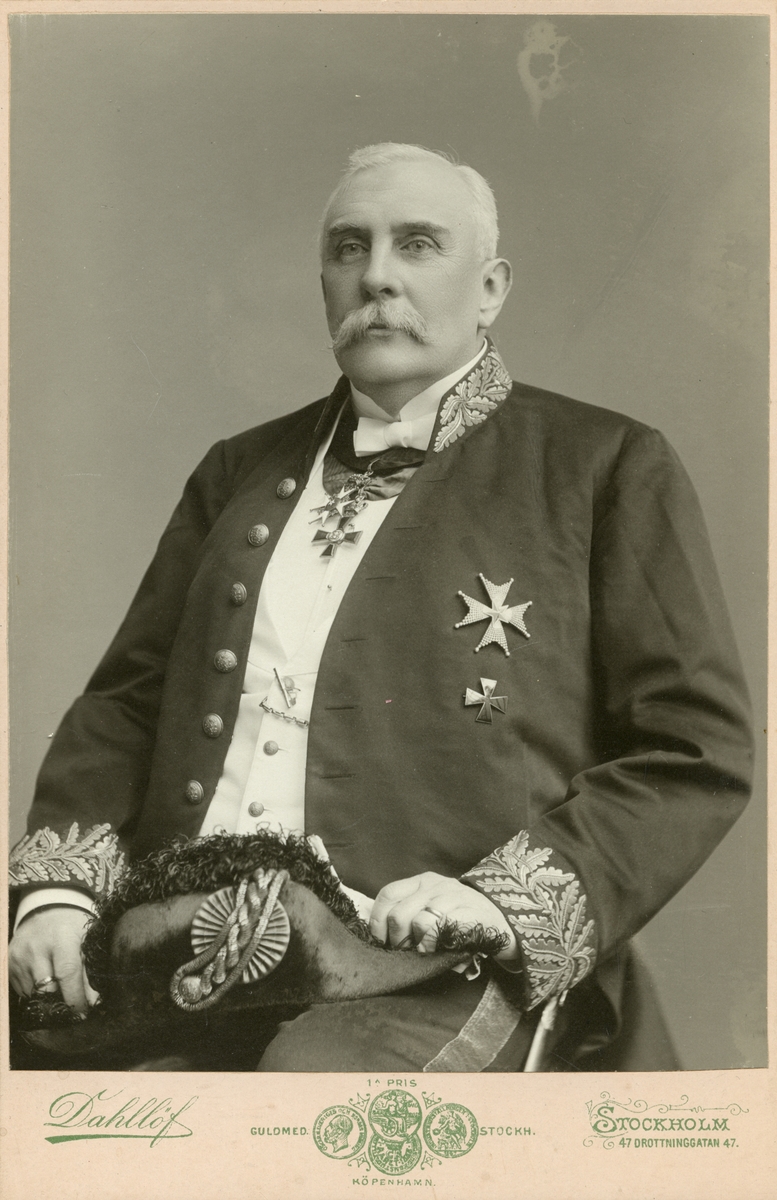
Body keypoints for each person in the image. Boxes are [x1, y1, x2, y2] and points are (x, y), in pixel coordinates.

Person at [8, 143, 753, 1071]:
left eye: (418, 244)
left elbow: (690, 749)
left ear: (490, 289)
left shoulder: (602, 465)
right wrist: (59, 894)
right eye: (349, 247)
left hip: (439, 967)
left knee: (305, 1105)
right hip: (177, 949)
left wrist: (499, 904)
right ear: (324, 281)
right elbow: (128, 705)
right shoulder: (237, 469)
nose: (377, 276)